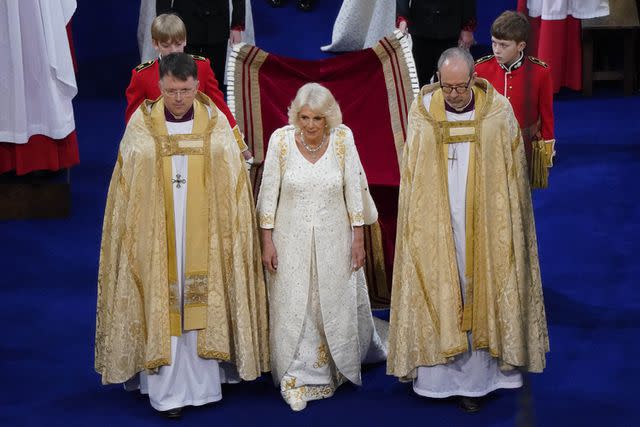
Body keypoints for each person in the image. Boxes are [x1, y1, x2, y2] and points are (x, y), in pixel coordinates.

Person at [95, 53, 269, 418]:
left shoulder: (215, 122)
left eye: (186, 90)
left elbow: (232, 178)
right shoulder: (142, 124)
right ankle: (165, 390)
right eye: (171, 91)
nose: (178, 98)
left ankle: (205, 383)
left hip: (204, 232)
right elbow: (127, 184)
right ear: (160, 87)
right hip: (158, 235)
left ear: (196, 86)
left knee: (202, 296)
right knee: (165, 300)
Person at [387, 48, 549, 413]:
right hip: (437, 221)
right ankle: (437, 378)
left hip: (486, 224)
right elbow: (413, 175)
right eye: (448, 87)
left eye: (461, 87)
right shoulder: (424, 113)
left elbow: (511, 176)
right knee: (442, 283)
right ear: (439, 80)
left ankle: (480, 381)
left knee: (483, 283)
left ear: (474, 78)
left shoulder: (497, 112)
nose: (455, 94)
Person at [257, 83, 387, 411]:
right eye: (303, 117)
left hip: (335, 241)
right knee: (296, 303)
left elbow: (354, 190)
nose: (310, 125)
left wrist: (358, 239)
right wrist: (267, 241)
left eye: (317, 118)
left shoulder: (343, 139)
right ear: (294, 116)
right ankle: (296, 375)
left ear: (329, 118)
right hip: (290, 243)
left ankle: (336, 365)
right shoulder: (281, 141)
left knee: (329, 302)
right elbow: (268, 194)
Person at [124, 13, 252, 161]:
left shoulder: (202, 67)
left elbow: (220, 108)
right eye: (166, 46)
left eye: (178, 44)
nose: (173, 51)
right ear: (155, 44)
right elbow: (133, 121)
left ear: (185, 41)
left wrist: (240, 145)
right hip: (159, 152)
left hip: (197, 150)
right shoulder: (141, 75)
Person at [475, 10, 555, 189]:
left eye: (504, 45)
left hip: (526, 145)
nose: (496, 50)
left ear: (521, 46)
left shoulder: (540, 72)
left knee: (523, 197)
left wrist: (546, 157)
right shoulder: (480, 69)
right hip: (490, 143)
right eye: (494, 43)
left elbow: (547, 117)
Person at [157, 0, 245, 89]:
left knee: (214, 81)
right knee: (183, 80)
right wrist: (165, 24)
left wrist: (237, 25)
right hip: (184, 23)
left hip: (217, 23)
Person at [396, 0, 476, 86]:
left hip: (450, 26)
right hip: (421, 25)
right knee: (419, 79)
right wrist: (402, 19)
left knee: (447, 78)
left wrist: (467, 27)